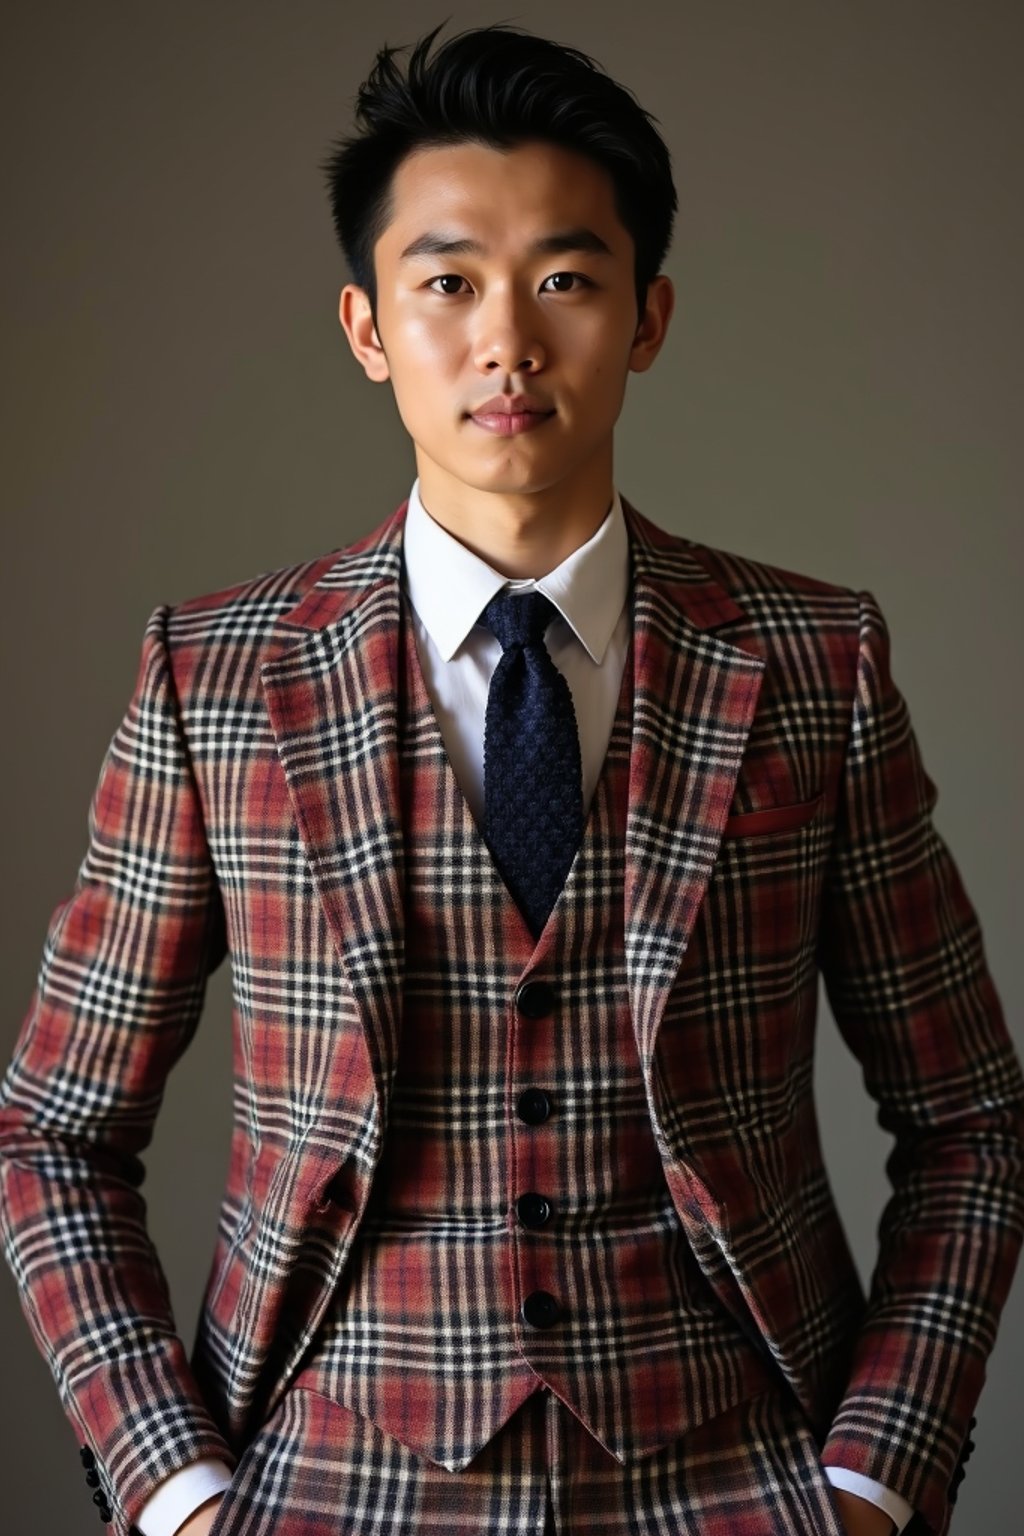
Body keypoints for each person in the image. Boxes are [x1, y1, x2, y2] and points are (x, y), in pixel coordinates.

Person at [1, 18, 1021, 1536]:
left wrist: (877, 1476)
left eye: (565, 279)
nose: (508, 341)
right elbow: (54, 1136)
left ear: (649, 314)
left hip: (743, 1478)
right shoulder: (214, 681)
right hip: (324, 1484)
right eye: (448, 283)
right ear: (366, 328)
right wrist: (178, 1491)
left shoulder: (815, 665)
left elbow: (969, 1123)